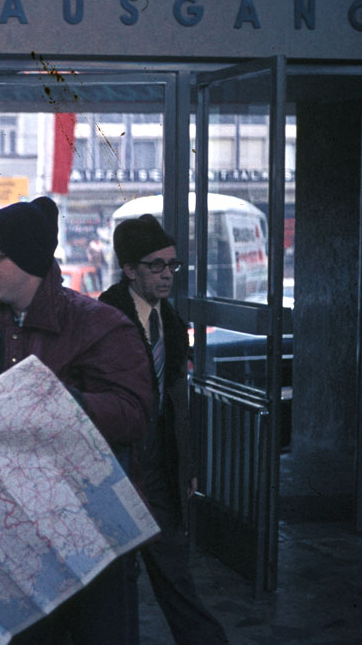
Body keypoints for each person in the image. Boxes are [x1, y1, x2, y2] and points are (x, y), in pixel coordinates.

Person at [0, 196, 153, 645]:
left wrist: (65, 402)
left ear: (27, 260)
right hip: (12, 537)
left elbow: (136, 415)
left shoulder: (99, 325)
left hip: (88, 533)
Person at [100, 214, 228, 645]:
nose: (167, 274)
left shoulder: (170, 322)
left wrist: (185, 466)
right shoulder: (104, 317)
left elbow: (177, 401)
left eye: (172, 265)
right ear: (130, 269)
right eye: (156, 265)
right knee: (116, 581)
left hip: (159, 464)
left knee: (174, 569)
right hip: (117, 463)